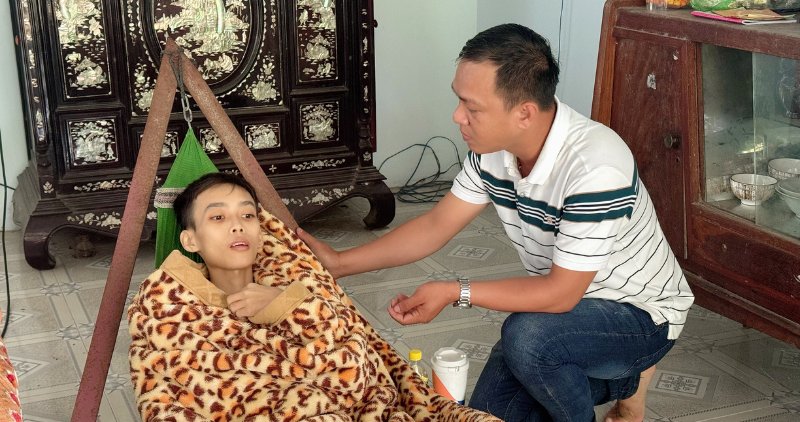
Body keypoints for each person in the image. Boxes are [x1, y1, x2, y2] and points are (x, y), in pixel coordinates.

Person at [297, 23, 694, 421]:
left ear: (524, 113)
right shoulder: (492, 152)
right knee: (491, 413)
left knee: (528, 338)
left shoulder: (595, 167)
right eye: (459, 101)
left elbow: (560, 295)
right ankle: (624, 383)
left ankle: (625, 374)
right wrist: (339, 263)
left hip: (639, 315)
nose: (457, 116)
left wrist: (454, 291)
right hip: (560, 317)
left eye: (472, 108)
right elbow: (435, 226)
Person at [172, 172, 283, 320]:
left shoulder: (298, 284)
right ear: (190, 241)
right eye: (218, 217)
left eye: (247, 215)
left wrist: (285, 303)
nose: (238, 226)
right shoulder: (173, 311)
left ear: (260, 237)